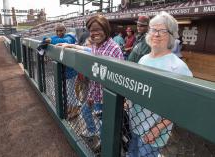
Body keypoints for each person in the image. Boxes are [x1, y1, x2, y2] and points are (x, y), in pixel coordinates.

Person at [128, 11, 193, 157]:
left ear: (171, 35)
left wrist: (157, 129)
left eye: (162, 31)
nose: (156, 34)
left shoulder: (178, 66)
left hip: (154, 130)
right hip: (135, 124)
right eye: (153, 30)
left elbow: (182, 105)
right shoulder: (143, 59)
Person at [59, 15, 123, 150]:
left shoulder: (114, 48)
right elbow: (90, 51)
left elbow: (118, 78)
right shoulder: (96, 45)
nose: (94, 33)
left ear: (105, 29)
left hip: (107, 96)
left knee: (104, 123)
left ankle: (105, 145)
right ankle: (94, 132)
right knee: (86, 112)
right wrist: (71, 45)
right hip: (95, 92)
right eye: (91, 30)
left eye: (98, 29)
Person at [43, 23, 79, 120]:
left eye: (61, 30)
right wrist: (46, 39)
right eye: (57, 31)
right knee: (67, 91)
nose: (59, 32)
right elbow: (44, 39)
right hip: (63, 70)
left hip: (71, 70)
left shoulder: (69, 36)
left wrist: (51, 40)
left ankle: (75, 109)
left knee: (71, 92)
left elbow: (65, 41)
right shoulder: (55, 37)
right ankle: (71, 108)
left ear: (65, 30)